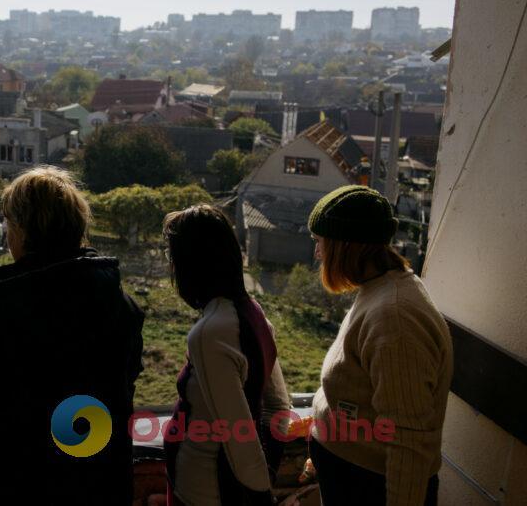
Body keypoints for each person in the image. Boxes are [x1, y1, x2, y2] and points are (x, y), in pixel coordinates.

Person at [0, 166, 144, 505]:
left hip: (11, 486)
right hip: (95, 483)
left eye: (9, 225)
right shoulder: (121, 306)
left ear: (23, 230)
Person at [307, 185, 452, 506]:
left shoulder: (395, 319)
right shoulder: (379, 289)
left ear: (345, 245)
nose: (317, 253)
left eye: (320, 243)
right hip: (354, 478)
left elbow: (408, 440)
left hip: (370, 489)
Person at [162, 205, 291, 506]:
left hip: (202, 490)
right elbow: (278, 406)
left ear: (189, 264)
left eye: (173, 258)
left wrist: (260, 494)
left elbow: (239, 437)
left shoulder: (210, 333)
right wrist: (267, 470)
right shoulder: (253, 312)